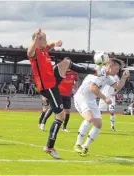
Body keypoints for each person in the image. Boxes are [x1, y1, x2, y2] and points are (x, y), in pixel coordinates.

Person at [27, 28, 95, 159]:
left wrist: (55, 43)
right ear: (38, 40)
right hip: (48, 87)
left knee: (66, 62)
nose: (47, 41)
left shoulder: (43, 49)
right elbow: (29, 52)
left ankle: (93, 70)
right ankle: (49, 147)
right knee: (60, 116)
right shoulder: (35, 52)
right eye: (44, 39)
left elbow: (49, 45)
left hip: (52, 81)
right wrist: (35, 39)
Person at [73, 57, 129, 156]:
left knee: (98, 124)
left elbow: (118, 86)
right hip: (81, 97)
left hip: (91, 100)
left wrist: (124, 78)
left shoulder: (107, 77)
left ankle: (85, 146)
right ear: (110, 66)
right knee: (89, 118)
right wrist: (105, 98)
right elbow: (93, 87)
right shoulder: (99, 73)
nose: (117, 71)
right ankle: (78, 144)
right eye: (117, 69)